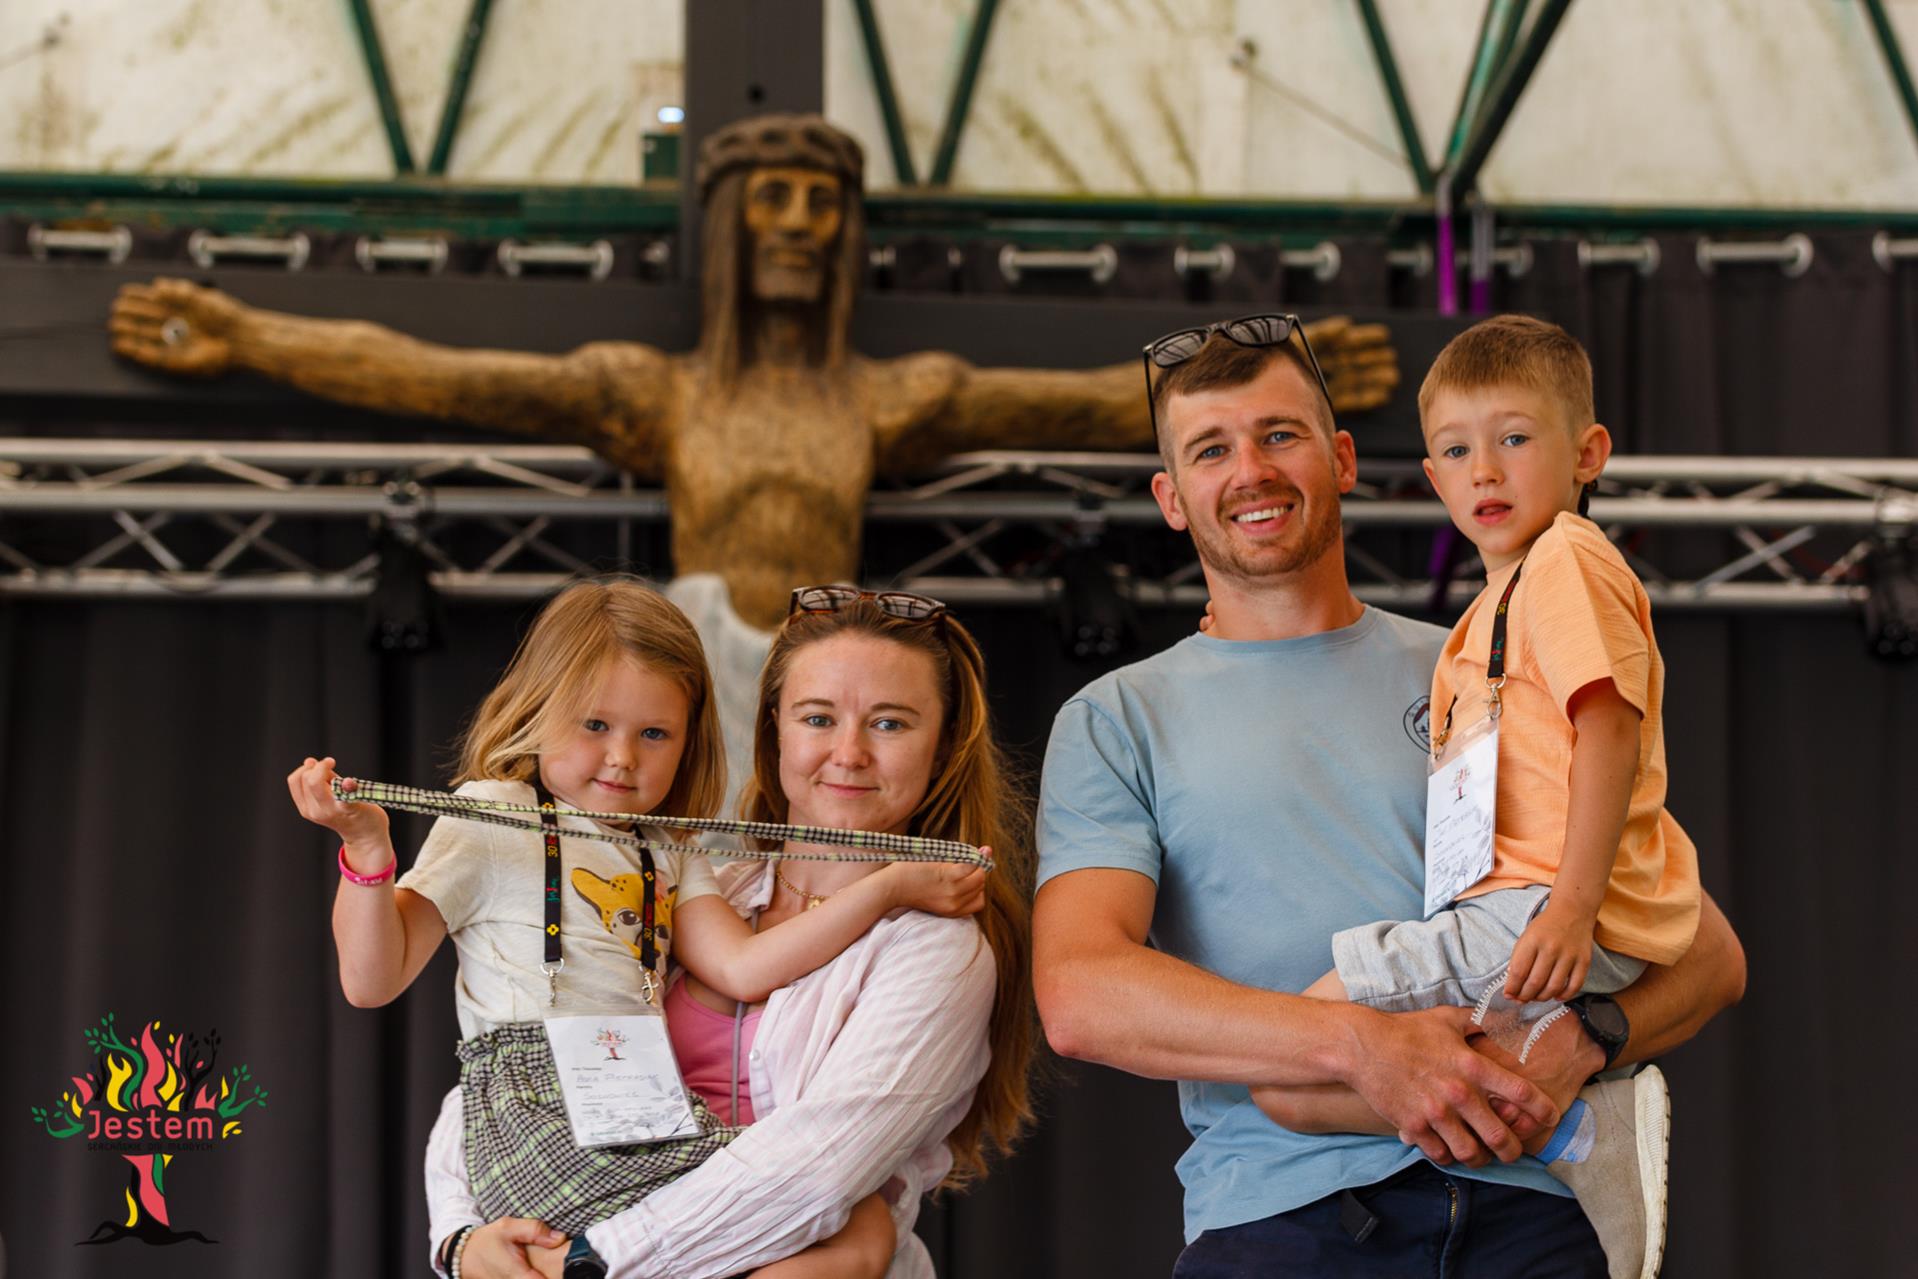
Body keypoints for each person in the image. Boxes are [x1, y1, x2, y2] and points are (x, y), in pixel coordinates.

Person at [107, 113, 1397, 802]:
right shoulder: (656, 393)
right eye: (770, 199)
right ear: (726, 223)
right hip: (698, 662)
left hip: (827, 673)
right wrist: (247, 334)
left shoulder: (889, 397)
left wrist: (1269, 360)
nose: (797, 222)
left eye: (821, 202)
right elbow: (440, 374)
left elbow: (1083, 405)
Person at [1032, 315, 1746, 1277]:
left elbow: (1706, 950)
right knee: (1294, 1088)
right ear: (1170, 497)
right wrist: (1359, 1047)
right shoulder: (1118, 716)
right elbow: (1080, 994)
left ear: (1344, 458)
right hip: (1285, 1220)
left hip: (1530, 1210)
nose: (1251, 470)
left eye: (1279, 434)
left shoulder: (1479, 658)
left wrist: (1585, 1038)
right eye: (1211, 449)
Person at [285, 578, 990, 1275]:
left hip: (638, 1150)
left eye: (654, 734)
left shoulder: (675, 858)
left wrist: (585, 1264)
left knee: (860, 1229)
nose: (622, 757)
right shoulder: (500, 818)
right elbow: (384, 994)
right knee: (860, 1230)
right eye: (595, 725)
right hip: (556, 1123)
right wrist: (462, 1242)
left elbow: (754, 996)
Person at [1253, 314, 1699, 1277]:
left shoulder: (1566, 559)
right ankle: (1568, 1119)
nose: (1485, 470)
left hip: (1534, 914)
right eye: (1457, 451)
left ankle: (1573, 1129)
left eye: (1515, 438)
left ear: (1588, 453)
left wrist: (1572, 906)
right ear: (1432, 477)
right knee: (1304, 1077)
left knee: (1286, 1066)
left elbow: (1609, 726)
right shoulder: (1491, 608)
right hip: (1511, 913)